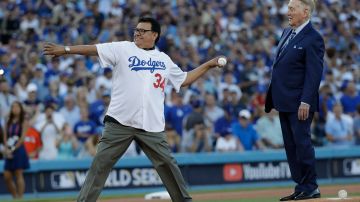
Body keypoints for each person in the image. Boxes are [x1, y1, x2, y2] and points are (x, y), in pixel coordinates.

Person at [43, 17, 226, 202]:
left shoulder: (163, 59)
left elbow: (184, 80)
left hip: (151, 126)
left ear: (154, 35)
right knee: (100, 165)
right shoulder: (123, 48)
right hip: (119, 122)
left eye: (142, 31)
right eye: (136, 30)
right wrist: (66, 50)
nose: (137, 33)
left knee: (168, 165)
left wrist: (208, 65)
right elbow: (94, 49)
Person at [264, 0, 324, 200]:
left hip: (300, 103)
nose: (287, 12)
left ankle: (310, 186)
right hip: (284, 101)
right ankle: (301, 185)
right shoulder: (286, 33)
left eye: (292, 9)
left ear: (305, 12)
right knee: (291, 146)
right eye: (288, 8)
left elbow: (314, 74)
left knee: (302, 143)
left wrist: (306, 101)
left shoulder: (313, 38)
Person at [2, 101, 30, 199]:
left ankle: (20, 197)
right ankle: (15, 196)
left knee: (19, 174)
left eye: (17, 107)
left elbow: (22, 138)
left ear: (20, 108)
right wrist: (6, 149)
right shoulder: (8, 120)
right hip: (9, 149)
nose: (15, 109)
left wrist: (13, 149)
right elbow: (5, 136)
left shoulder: (24, 121)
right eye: (13, 107)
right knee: (7, 176)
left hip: (19, 150)